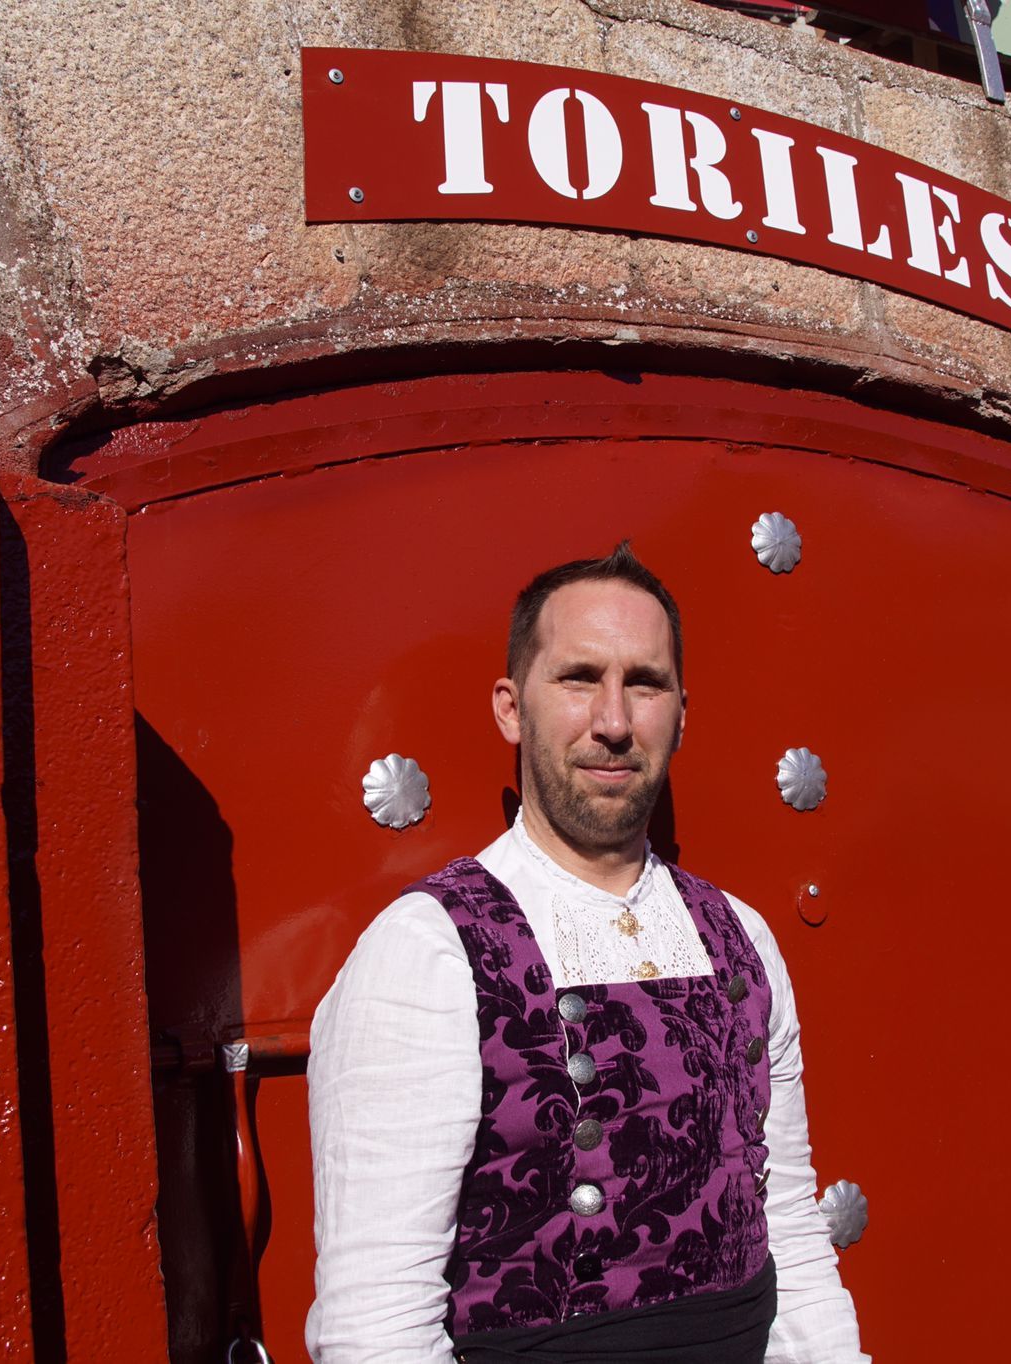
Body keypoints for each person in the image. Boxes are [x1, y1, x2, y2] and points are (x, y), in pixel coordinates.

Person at [306, 543, 869, 1363]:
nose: (613, 722)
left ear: (681, 711)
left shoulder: (742, 938)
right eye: (578, 678)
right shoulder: (427, 952)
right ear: (511, 707)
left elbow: (787, 1231)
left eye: (644, 683)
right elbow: (376, 1328)